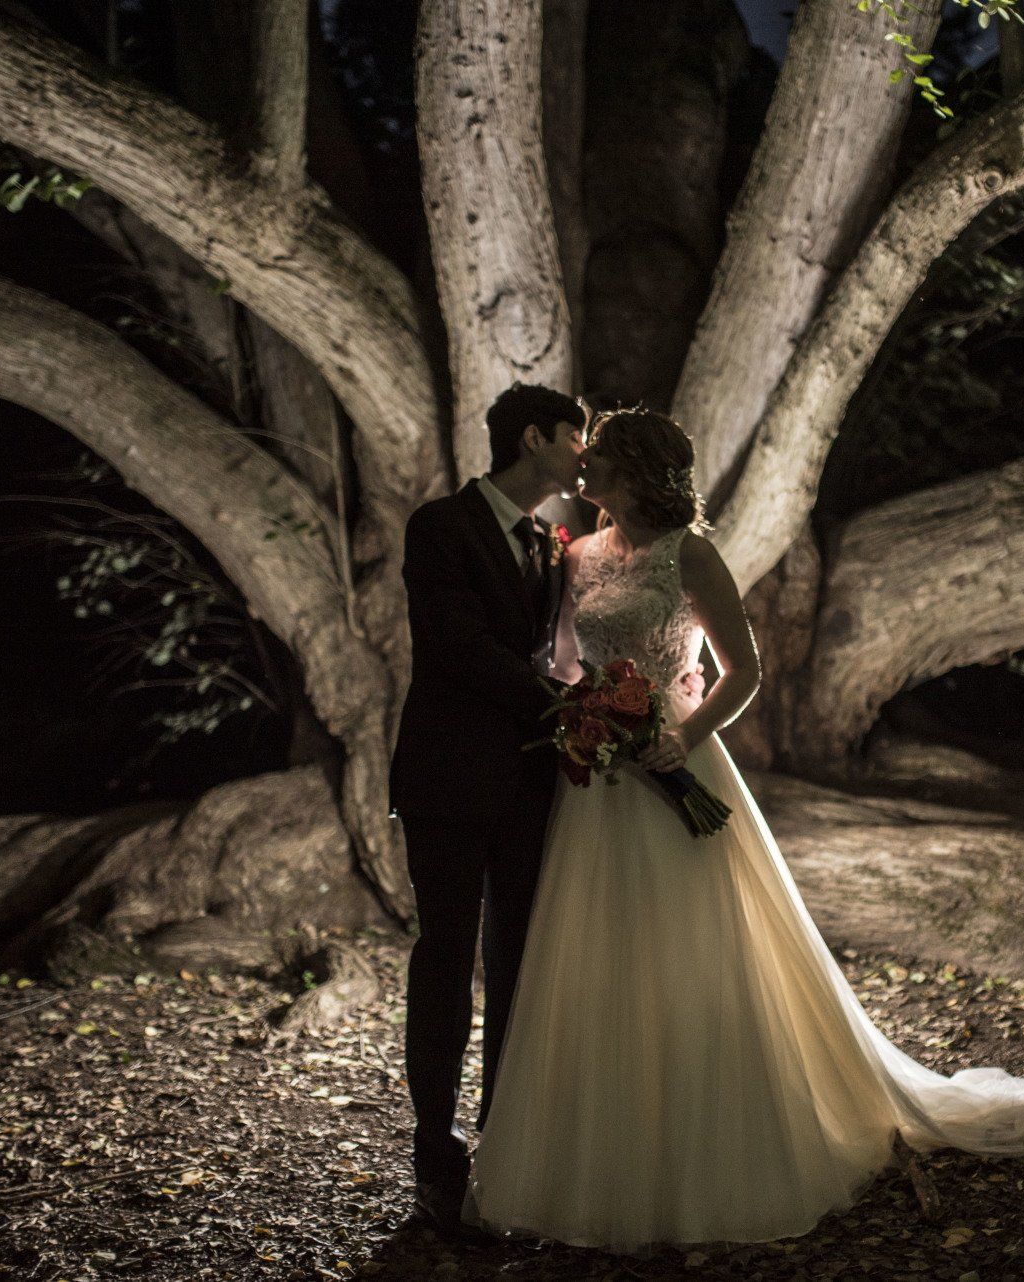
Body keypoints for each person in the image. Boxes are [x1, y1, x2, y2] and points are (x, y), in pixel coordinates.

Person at [465, 408, 1024, 1251]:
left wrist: (679, 736)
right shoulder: (577, 556)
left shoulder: (689, 555)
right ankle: (589, 1160)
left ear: (638, 470)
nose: (583, 465)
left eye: (602, 456)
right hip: (599, 782)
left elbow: (745, 671)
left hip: (678, 762)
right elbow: (559, 659)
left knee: (694, 954)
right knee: (597, 958)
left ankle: (708, 1155)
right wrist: (580, 717)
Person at [388, 382, 586, 1238]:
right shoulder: (439, 526)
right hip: (446, 779)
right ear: (535, 437)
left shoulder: (550, 542)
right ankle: (435, 1152)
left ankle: (504, 1149)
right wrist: (563, 705)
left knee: (518, 968)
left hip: (530, 785)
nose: (583, 454)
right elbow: (460, 647)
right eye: (575, 438)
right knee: (445, 960)